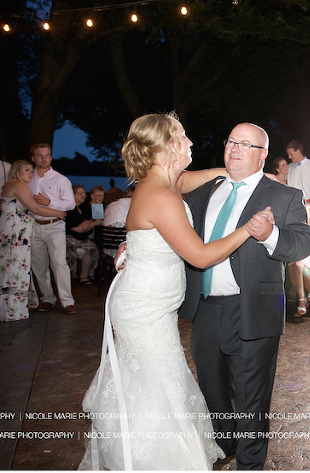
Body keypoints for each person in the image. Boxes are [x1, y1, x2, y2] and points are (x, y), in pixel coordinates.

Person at [78, 112, 274, 470]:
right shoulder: (160, 194)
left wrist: (224, 171)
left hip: (151, 306)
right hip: (145, 310)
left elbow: (187, 180)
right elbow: (199, 256)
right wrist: (247, 229)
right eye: (183, 136)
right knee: (155, 389)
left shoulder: (165, 181)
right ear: (168, 147)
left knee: (161, 384)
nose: (190, 141)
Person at [179, 123, 310, 469]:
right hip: (206, 308)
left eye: (245, 144)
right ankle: (223, 447)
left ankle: (250, 464)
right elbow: (179, 235)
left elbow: (302, 243)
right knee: (213, 391)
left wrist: (271, 235)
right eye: (231, 142)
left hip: (253, 309)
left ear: (263, 154)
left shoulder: (283, 195)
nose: (235, 149)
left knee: (252, 398)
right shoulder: (204, 191)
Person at [0, 160, 66, 322]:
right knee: (12, 267)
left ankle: (1, 306)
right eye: (27, 170)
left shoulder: (12, 185)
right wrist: (59, 213)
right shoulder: (18, 185)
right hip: (14, 232)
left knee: (3, 267)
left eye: (31, 170)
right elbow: (35, 208)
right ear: (16, 171)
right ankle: (8, 309)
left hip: (10, 230)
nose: (31, 173)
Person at [27, 143, 77, 315]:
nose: (44, 158)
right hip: (33, 225)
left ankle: (67, 301)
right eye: (39, 155)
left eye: (47, 155)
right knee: (38, 265)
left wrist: (50, 203)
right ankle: (47, 298)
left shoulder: (60, 179)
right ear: (33, 158)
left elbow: (70, 204)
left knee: (59, 263)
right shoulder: (27, 177)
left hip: (54, 225)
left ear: (51, 157)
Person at [64, 185, 102, 285]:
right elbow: (78, 229)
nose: (83, 195)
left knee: (93, 247)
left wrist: (89, 224)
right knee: (91, 247)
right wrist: (91, 224)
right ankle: (84, 275)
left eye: (84, 193)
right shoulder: (70, 209)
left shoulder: (84, 208)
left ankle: (89, 274)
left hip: (85, 237)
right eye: (81, 193)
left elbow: (96, 222)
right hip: (71, 238)